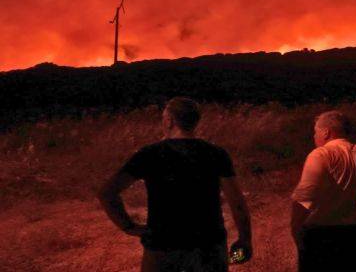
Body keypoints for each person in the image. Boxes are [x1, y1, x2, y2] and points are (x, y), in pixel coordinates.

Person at [98, 97, 252, 272]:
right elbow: (237, 203)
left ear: (170, 121)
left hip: (162, 247)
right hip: (208, 246)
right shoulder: (216, 154)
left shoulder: (150, 154)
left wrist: (129, 226)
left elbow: (107, 192)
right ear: (195, 121)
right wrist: (245, 239)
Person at [291, 111, 356, 272]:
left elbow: (304, 198)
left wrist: (296, 230)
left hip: (325, 237)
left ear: (326, 132)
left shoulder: (321, 154)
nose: (314, 136)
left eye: (315, 132)